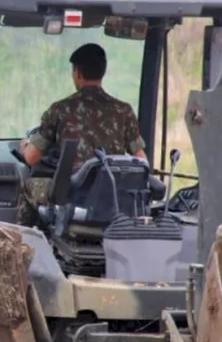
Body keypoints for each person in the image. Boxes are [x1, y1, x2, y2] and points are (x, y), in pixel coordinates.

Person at [16, 43, 147, 226]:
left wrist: (24, 146)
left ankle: (24, 243)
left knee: (28, 186)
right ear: (102, 73)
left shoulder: (60, 110)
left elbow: (31, 158)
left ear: (77, 73)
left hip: (72, 197)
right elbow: (141, 161)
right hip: (113, 200)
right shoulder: (124, 111)